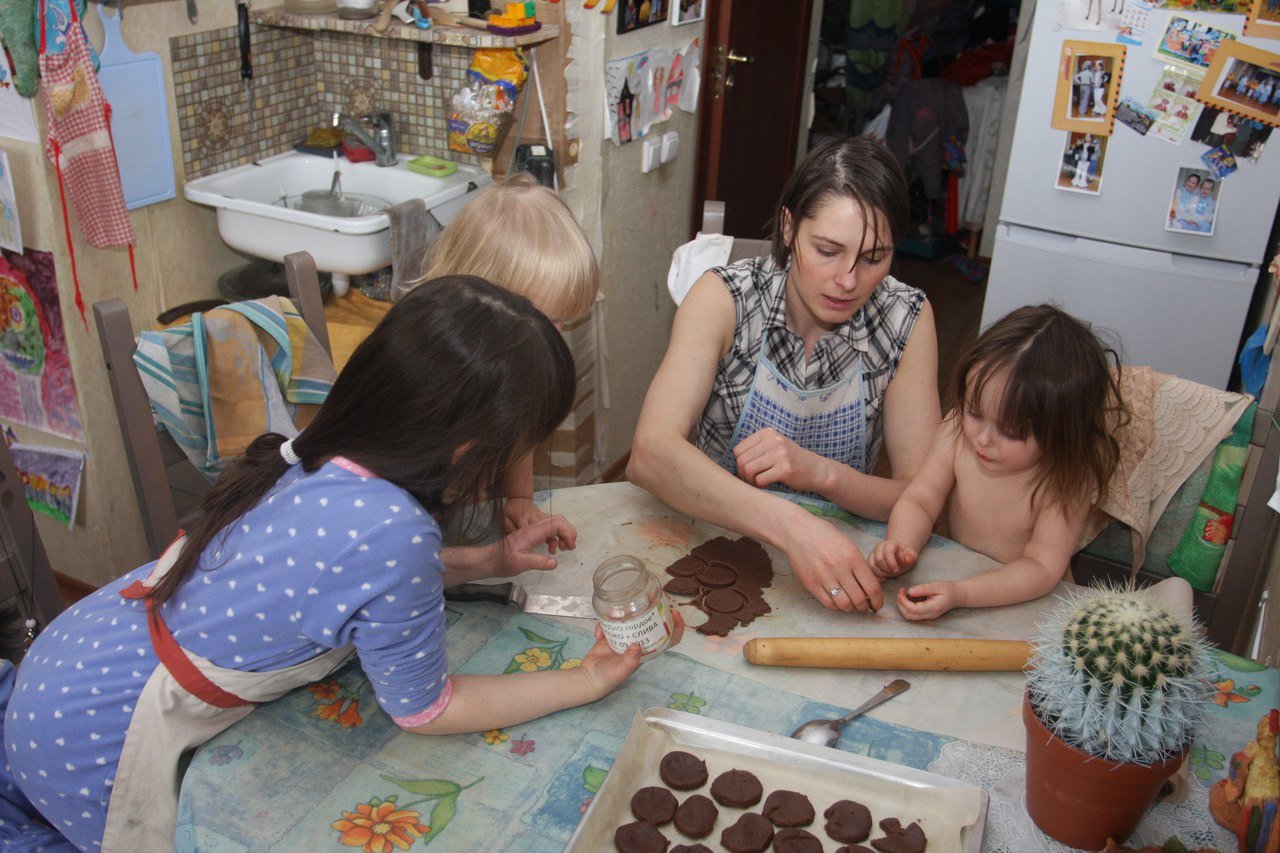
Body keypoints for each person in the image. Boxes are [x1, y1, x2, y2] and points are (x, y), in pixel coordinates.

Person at [2, 277, 679, 850]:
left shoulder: (332, 447)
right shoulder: (395, 531)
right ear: (470, 448)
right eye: (523, 445)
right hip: (95, 736)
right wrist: (585, 677)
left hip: (75, 656)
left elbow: (347, 582)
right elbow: (428, 707)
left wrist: (488, 558)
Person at [628, 135, 940, 613]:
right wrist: (792, 525)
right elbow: (650, 455)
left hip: (835, 558)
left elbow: (919, 495)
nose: (849, 281)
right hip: (715, 543)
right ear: (789, 226)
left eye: (874, 258)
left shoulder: (906, 320)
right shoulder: (725, 299)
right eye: (828, 250)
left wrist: (822, 475)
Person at [867, 305, 1125, 620]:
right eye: (975, 411)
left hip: (1028, 605)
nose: (984, 438)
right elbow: (921, 500)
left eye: (1012, 432)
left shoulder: (1065, 478)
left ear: (1061, 434)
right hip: (959, 578)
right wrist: (900, 544)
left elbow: (1041, 569)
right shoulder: (958, 429)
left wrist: (963, 593)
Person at [393, 173, 600, 540]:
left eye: (561, 323)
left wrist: (519, 499)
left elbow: (521, 419)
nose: (553, 340)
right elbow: (392, 536)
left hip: (459, 518)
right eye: (546, 322)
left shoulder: (517, 352)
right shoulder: (419, 375)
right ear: (482, 304)